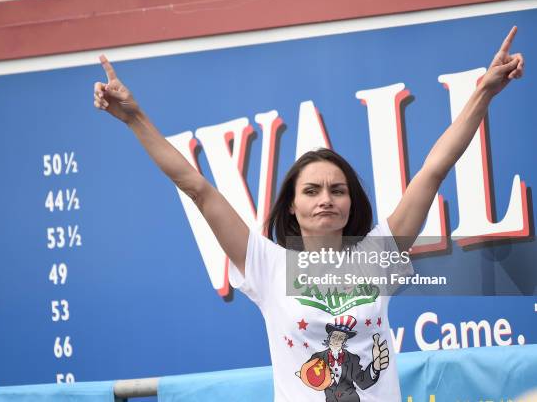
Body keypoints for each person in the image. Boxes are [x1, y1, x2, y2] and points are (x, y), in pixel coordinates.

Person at [93, 27, 524, 401]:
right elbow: (197, 188)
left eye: (338, 190)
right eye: (312, 190)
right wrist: (135, 119)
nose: (326, 199)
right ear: (293, 208)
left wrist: (483, 92)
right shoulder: (266, 263)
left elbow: (434, 170)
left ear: (351, 205)